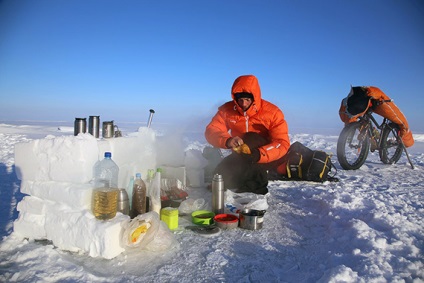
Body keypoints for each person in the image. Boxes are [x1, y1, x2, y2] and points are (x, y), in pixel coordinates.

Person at [204, 74, 290, 194]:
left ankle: (255, 189)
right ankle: (239, 180)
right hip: (241, 155)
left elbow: (282, 143)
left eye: (247, 100)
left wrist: (260, 154)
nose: (243, 104)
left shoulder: (273, 113)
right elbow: (212, 130)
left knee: (251, 138)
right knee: (219, 177)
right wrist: (228, 141)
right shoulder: (227, 110)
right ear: (235, 98)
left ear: (255, 98)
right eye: (240, 100)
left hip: (266, 155)